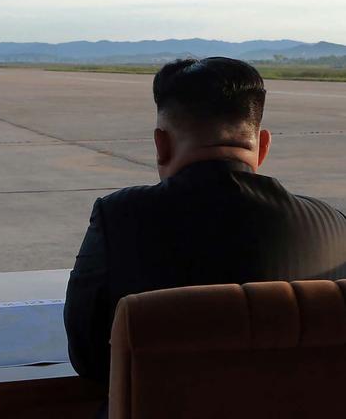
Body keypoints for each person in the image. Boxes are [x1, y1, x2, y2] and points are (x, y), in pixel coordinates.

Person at [64, 57, 346, 385]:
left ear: (161, 145)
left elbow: (87, 357)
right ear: (263, 146)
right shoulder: (334, 228)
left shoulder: (119, 218)